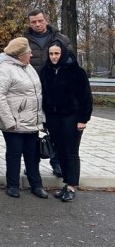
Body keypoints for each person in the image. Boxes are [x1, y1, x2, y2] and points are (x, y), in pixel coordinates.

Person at [0, 37, 48, 199]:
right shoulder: (4, 69)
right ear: (20, 55)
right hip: (14, 122)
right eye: (28, 52)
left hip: (31, 121)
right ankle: (13, 185)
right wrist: (9, 120)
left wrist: (41, 118)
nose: (31, 54)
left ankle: (36, 185)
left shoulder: (28, 67)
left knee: (32, 154)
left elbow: (37, 95)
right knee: (14, 153)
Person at [40, 40, 93, 202]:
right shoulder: (46, 71)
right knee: (60, 151)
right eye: (51, 54)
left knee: (71, 152)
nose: (54, 57)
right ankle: (65, 183)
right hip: (53, 117)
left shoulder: (76, 71)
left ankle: (71, 185)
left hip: (72, 117)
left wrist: (83, 118)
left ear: (63, 53)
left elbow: (86, 97)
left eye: (56, 53)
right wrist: (44, 119)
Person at [24, 9, 70, 177]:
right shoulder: (24, 41)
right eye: (33, 22)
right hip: (31, 92)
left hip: (55, 91)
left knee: (57, 129)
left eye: (40, 21)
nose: (37, 24)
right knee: (30, 131)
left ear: (46, 20)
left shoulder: (61, 39)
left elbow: (70, 62)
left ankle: (57, 163)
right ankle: (31, 164)